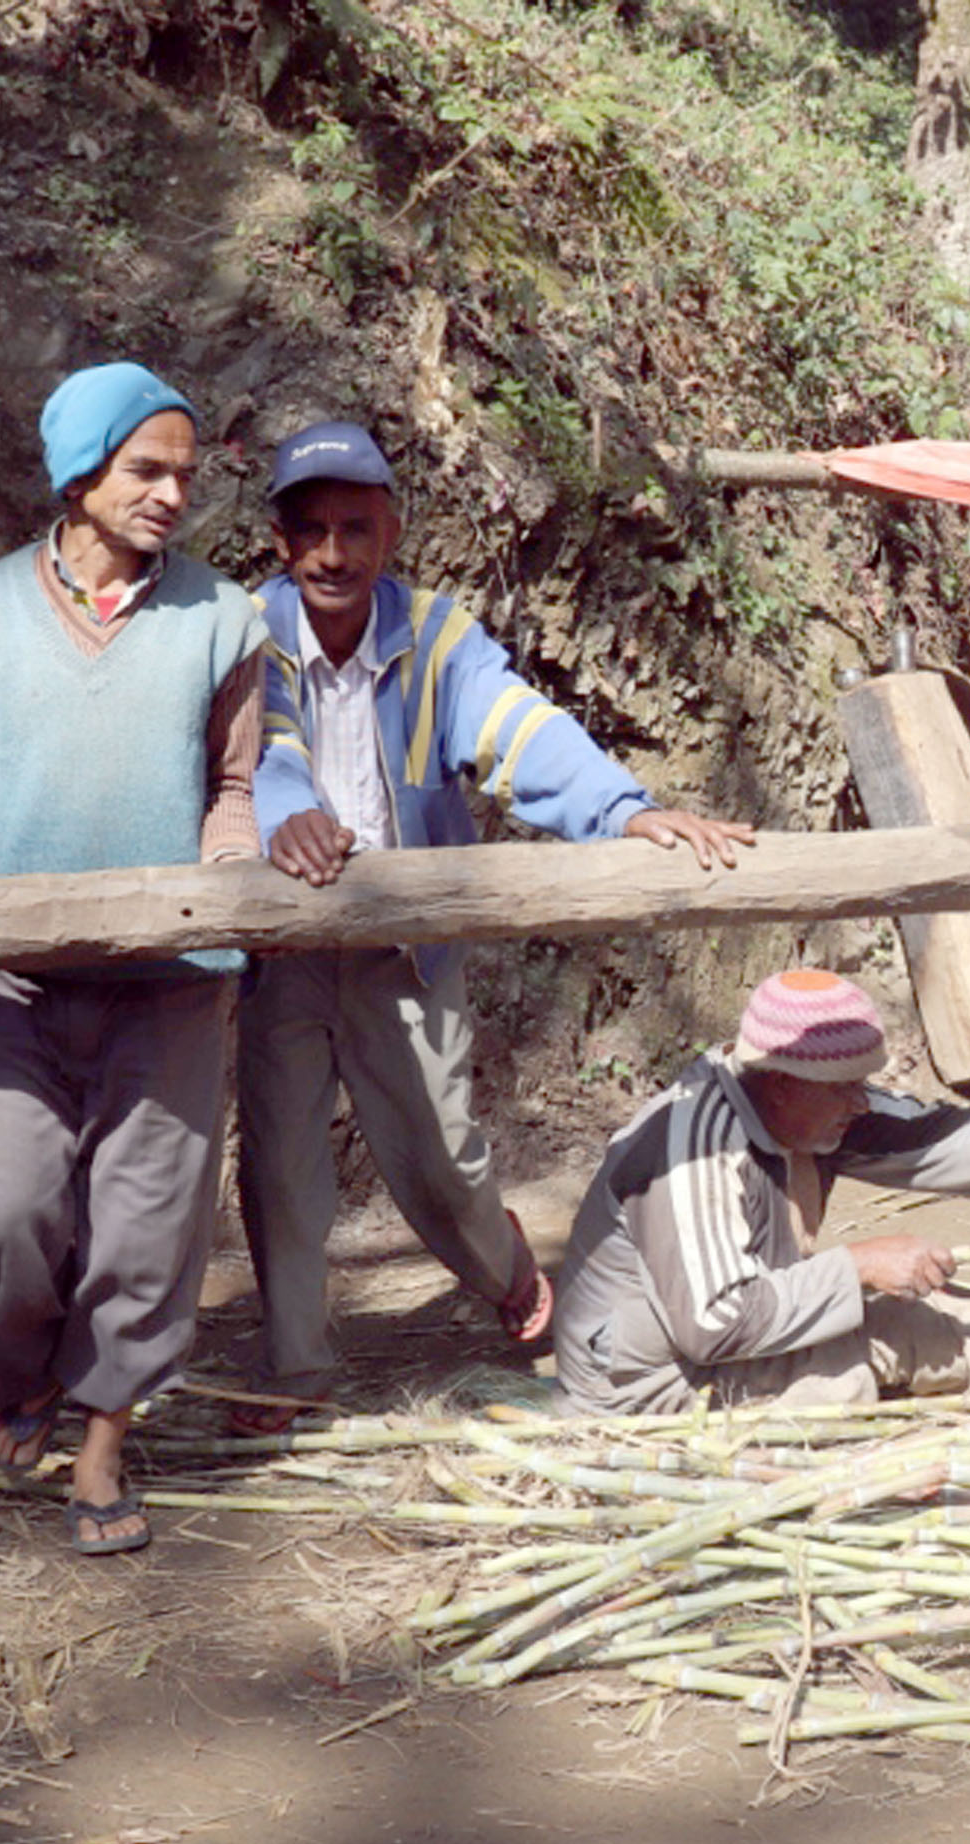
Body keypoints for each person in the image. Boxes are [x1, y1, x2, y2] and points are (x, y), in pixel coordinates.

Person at [239, 421, 755, 1430]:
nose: (333, 554)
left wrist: (626, 812)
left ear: (390, 534)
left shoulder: (436, 636)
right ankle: (297, 1371)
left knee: (442, 1158)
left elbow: (521, 728)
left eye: (356, 528)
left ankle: (505, 1265)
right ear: (278, 540)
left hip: (407, 942)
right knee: (279, 1167)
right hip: (285, 944)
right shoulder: (246, 632)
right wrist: (280, 816)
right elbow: (264, 750)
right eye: (311, 532)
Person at [0, 361, 264, 1557]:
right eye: (146, 470)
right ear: (79, 475)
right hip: (17, 986)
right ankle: (15, 1371)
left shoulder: (223, 618)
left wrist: (232, 880)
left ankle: (105, 1439)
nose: (174, 493)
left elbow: (231, 791)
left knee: (144, 1231)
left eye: (186, 473)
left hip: (170, 988)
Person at [549, 969, 970, 1415]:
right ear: (782, 1084)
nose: (861, 1103)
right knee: (921, 1335)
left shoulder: (805, 1101)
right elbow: (716, 1324)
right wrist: (860, 1266)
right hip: (655, 1392)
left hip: (721, 1346)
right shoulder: (694, 1149)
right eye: (847, 1089)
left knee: (957, 1315)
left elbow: (929, 1135)